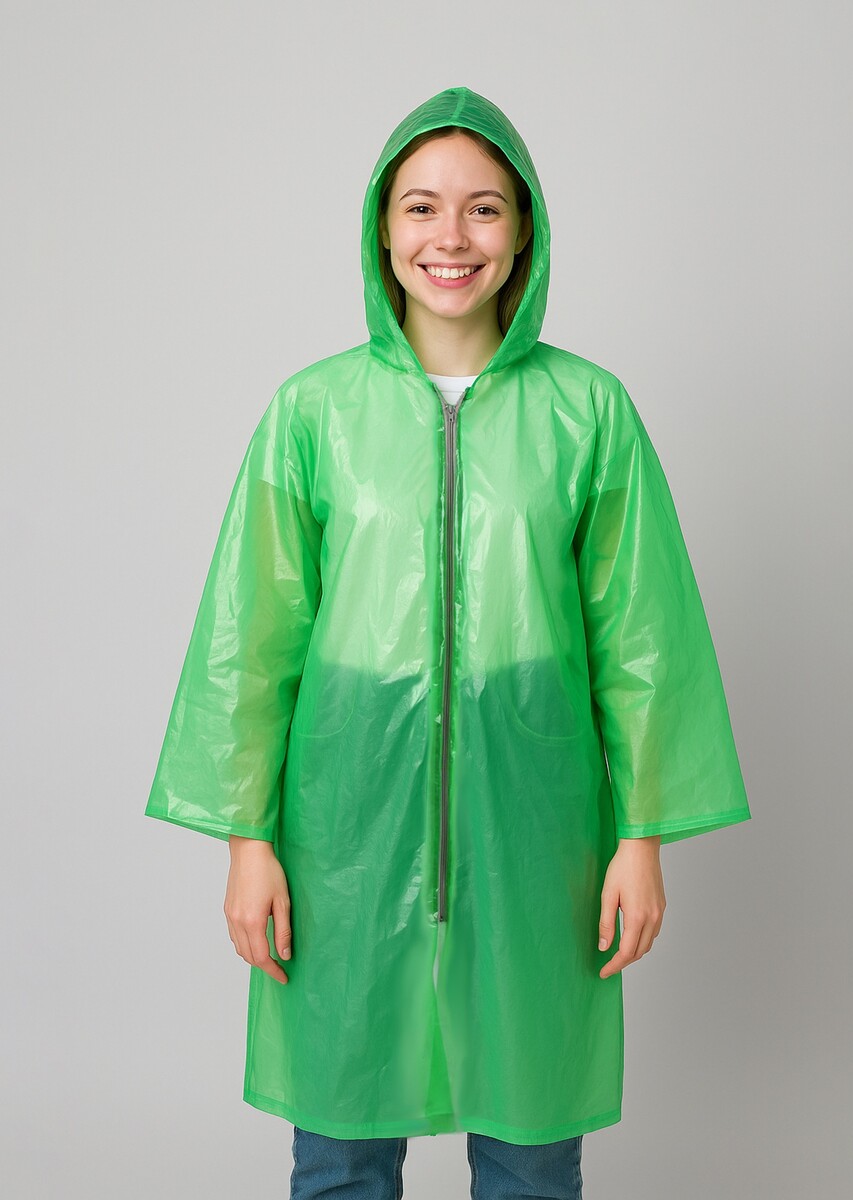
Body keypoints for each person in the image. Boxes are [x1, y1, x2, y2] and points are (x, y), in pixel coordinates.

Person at [145, 86, 751, 1200]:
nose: (451, 237)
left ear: (523, 231)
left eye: (483, 208)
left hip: (538, 836)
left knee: (532, 1151)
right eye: (421, 207)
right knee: (340, 1152)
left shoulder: (589, 412)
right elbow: (254, 639)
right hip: (343, 837)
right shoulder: (313, 412)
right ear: (382, 229)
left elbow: (642, 640)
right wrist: (247, 839)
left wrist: (641, 835)